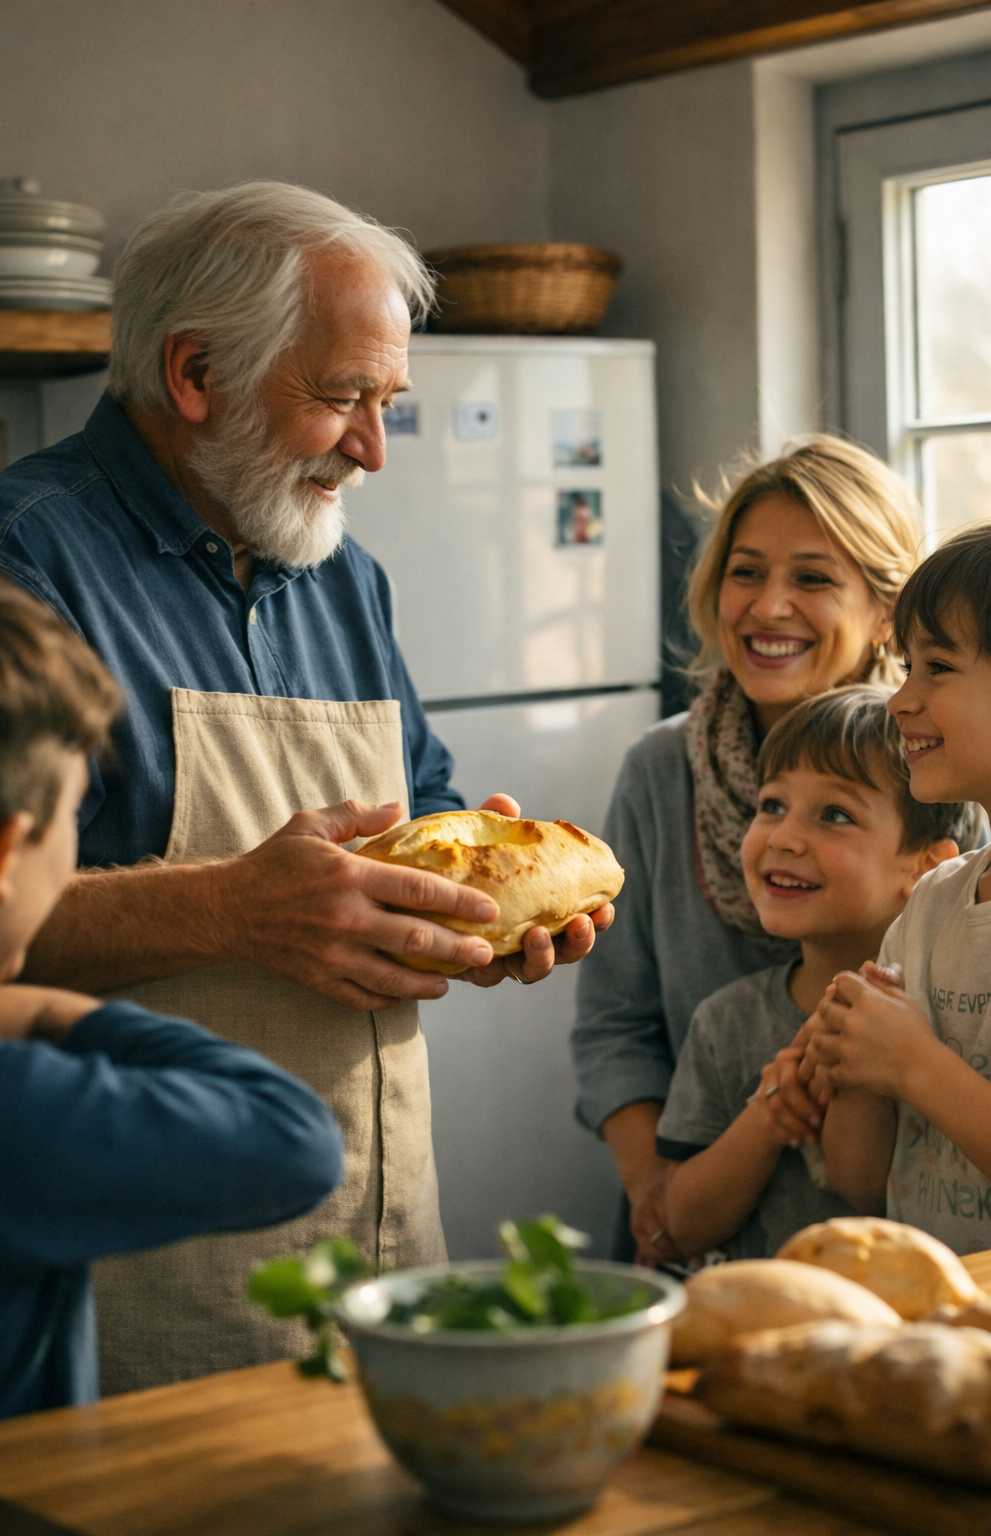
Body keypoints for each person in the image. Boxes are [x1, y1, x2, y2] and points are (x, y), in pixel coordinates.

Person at [0, 182, 611, 1392]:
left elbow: (424, 808)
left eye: (386, 405)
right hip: (143, 1273)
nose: (373, 450)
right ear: (194, 374)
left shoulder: (342, 575)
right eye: (341, 399)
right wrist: (232, 908)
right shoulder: (27, 560)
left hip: (380, 1241)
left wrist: (470, 917)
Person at [572, 437, 923, 1266]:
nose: (768, 607)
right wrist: (655, 1193)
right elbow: (614, 1024)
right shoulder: (661, 771)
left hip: (887, 1236)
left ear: (883, 611)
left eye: (811, 577)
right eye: (745, 572)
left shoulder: (937, 769)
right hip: (701, 1227)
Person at [0, 580, 342, 1419]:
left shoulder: (349, 580)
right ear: (10, 849)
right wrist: (44, 1009)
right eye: (73, 815)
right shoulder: (23, 1107)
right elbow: (293, 1139)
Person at [659, 687, 973, 1262]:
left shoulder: (952, 1018)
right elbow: (679, 1225)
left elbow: (865, 1189)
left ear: (928, 867)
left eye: (834, 815)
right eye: (771, 804)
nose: (782, 837)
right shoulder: (726, 1020)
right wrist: (769, 1116)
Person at [805, 522, 991, 1254]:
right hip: (937, 1320)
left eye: (938, 667)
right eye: (906, 666)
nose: (900, 700)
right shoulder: (931, 905)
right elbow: (857, 1176)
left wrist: (914, 1064)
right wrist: (858, 1057)